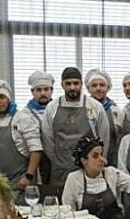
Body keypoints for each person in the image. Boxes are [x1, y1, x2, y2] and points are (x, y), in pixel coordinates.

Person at [39, 66, 111, 197]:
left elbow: (103, 139)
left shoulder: (95, 106)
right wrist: (58, 161)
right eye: (68, 83)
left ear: (81, 84)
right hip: (60, 171)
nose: (72, 87)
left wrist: (95, 164)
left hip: (88, 171)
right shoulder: (52, 108)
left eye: (76, 83)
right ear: (62, 85)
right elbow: (47, 139)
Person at [62, 135, 130, 219]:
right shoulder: (73, 179)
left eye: (101, 154)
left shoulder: (111, 173)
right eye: (95, 156)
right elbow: (68, 211)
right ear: (84, 160)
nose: (101, 159)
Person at [0, 80, 42, 191]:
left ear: (8, 99)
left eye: (1, 97)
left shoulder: (22, 119)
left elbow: (36, 150)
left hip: (22, 181)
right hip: (0, 183)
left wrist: (28, 176)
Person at [85, 69, 121, 165]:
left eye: (102, 85)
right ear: (88, 88)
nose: (98, 88)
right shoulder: (84, 109)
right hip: (89, 163)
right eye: (94, 85)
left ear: (108, 87)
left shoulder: (115, 110)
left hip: (112, 160)